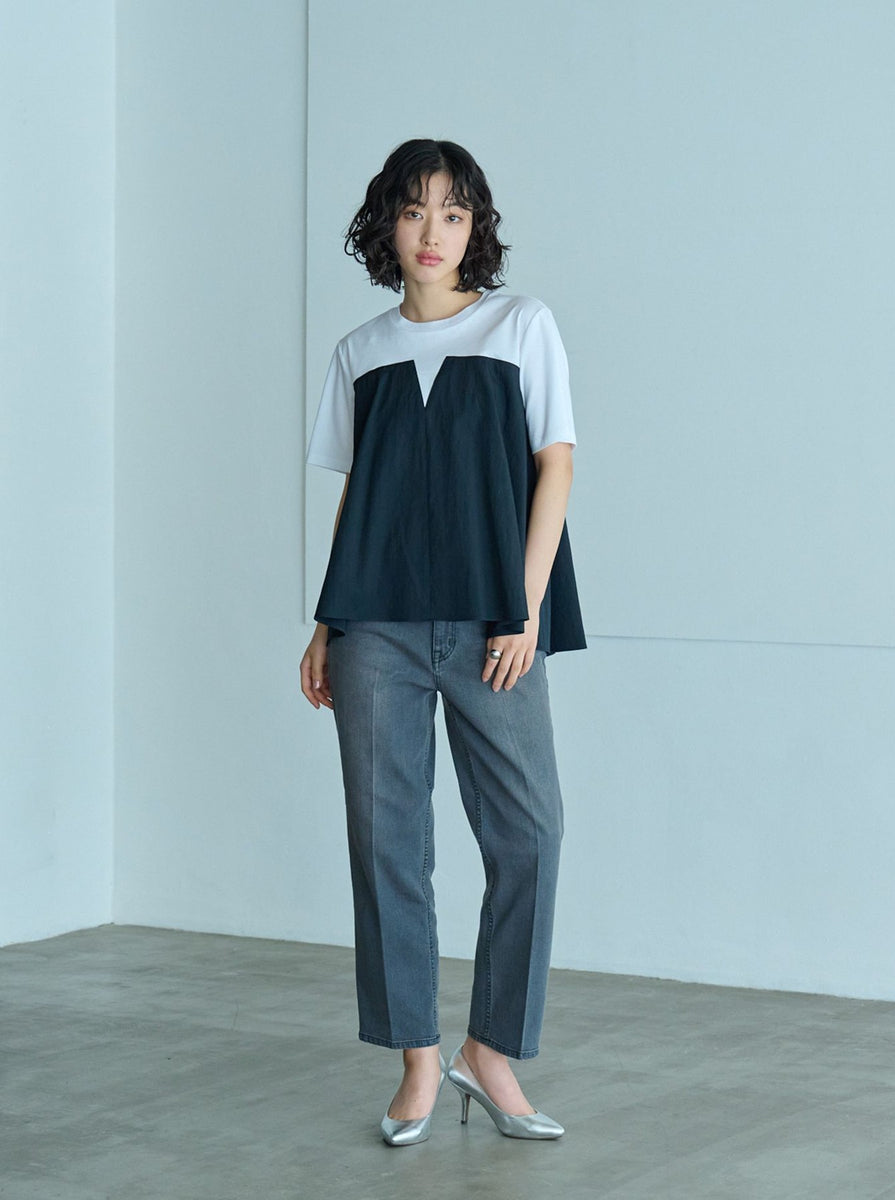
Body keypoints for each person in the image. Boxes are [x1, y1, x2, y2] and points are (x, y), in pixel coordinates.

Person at [299, 138, 586, 1146]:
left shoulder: (521, 325)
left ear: (476, 229)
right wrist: (326, 623)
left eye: (453, 213)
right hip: (373, 625)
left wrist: (525, 608)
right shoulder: (360, 351)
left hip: (489, 620)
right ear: (387, 222)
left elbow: (555, 466)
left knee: (530, 832)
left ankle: (488, 1052)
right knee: (388, 841)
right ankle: (418, 1061)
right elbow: (358, 497)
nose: (433, 232)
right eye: (415, 210)